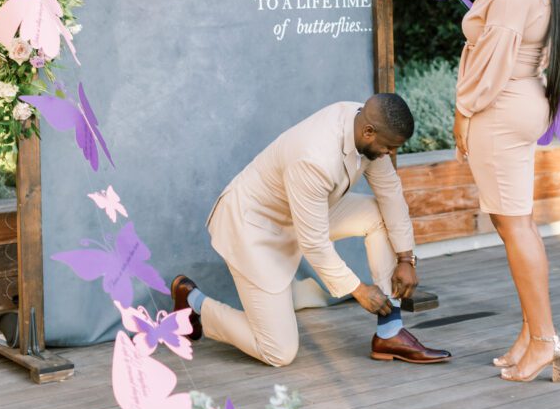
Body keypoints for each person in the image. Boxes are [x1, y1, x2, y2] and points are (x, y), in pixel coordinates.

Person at [172, 94, 451, 367]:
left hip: (305, 212)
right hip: (255, 228)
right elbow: (314, 243)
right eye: (389, 147)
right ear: (368, 132)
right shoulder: (314, 158)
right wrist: (358, 290)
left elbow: (391, 193)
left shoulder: (366, 125)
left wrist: (406, 258)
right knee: (278, 351)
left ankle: (389, 333)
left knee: (378, 214)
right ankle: (193, 303)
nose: (390, 153)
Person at [453, 0, 560, 384]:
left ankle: (546, 340)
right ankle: (532, 334)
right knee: (518, 224)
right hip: (523, 100)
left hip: (501, 104)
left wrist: (463, 110)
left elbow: (493, 54)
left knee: (516, 228)